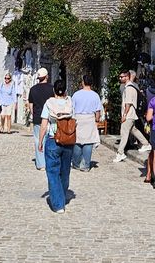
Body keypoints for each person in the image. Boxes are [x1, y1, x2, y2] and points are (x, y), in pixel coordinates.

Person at [39, 79, 74, 213]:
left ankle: (58, 204)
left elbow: (43, 124)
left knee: (53, 172)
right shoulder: (69, 103)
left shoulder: (49, 103)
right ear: (65, 90)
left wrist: (41, 141)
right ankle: (62, 195)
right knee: (65, 171)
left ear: (54, 90)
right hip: (68, 140)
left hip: (53, 139)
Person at [114, 70, 149, 162]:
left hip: (129, 114)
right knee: (134, 130)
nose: (120, 78)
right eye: (120, 77)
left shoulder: (129, 88)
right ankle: (146, 143)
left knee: (124, 133)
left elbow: (128, 103)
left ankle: (120, 153)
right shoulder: (130, 87)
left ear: (127, 77)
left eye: (122, 77)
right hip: (131, 114)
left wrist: (124, 115)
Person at [71, 74, 103, 173]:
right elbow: (98, 111)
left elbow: (72, 108)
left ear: (83, 82)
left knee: (77, 141)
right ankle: (85, 165)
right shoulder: (95, 95)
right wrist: (97, 119)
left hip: (78, 118)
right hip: (89, 118)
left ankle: (76, 163)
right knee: (88, 142)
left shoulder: (76, 94)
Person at [27, 67, 54, 170]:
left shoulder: (33, 89)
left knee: (38, 139)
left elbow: (31, 104)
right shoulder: (52, 88)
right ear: (47, 76)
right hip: (50, 118)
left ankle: (41, 164)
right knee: (49, 140)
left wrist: (33, 114)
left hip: (38, 117)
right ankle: (49, 162)